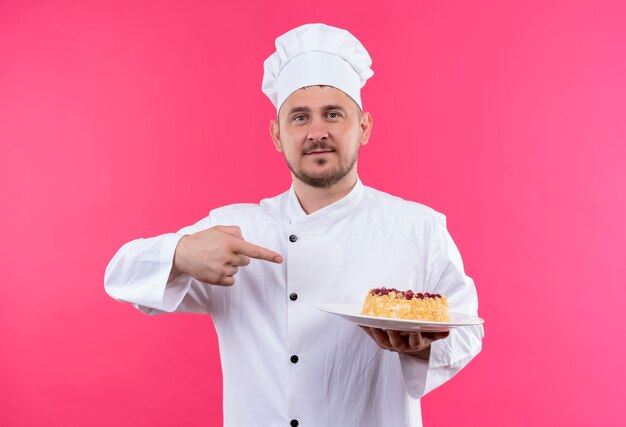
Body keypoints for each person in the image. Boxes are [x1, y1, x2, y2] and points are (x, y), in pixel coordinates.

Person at [105, 23, 484, 427]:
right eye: (299, 117)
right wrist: (181, 255)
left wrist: (419, 347)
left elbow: (467, 331)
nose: (316, 132)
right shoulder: (235, 231)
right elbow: (119, 276)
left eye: (333, 114)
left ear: (364, 127)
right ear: (276, 135)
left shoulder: (418, 227)